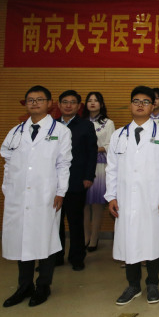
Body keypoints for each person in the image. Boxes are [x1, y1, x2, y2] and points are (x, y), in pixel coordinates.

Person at [1, 86, 72, 308]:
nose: (34, 103)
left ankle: (43, 285)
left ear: (49, 104)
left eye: (39, 99)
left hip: (46, 195)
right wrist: (7, 189)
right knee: (22, 241)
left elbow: (64, 164)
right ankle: (24, 286)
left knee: (45, 240)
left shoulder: (60, 131)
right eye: (30, 100)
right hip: (19, 196)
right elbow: (8, 163)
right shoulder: (16, 131)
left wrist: (60, 191)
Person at [106, 86, 159, 306]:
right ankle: (133, 285)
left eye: (146, 102)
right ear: (130, 105)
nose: (140, 105)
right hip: (125, 198)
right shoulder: (118, 135)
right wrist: (111, 196)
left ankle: (153, 283)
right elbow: (111, 169)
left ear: (153, 106)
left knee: (152, 240)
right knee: (129, 241)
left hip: (153, 198)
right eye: (136, 101)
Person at [56, 90, 98, 271]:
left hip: (76, 180)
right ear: (59, 105)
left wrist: (88, 176)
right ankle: (55, 256)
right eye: (65, 102)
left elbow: (92, 153)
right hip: (53, 182)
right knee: (54, 222)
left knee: (75, 221)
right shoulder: (52, 126)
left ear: (78, 106)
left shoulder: (85, 126)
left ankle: (77, 257)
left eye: (72, 102)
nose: (68, 105)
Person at [82, 91, 115, 252]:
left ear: (101, 104)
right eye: (90, 100)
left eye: (96, 100)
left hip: (100, 166)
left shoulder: (108, 123)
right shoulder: (81, 122)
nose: (92, 103)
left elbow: (111, 145)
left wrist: (95, 149)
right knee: (83, 204)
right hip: (82, 165)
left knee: (96, 205)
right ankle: (85, 237)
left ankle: (94, 238)